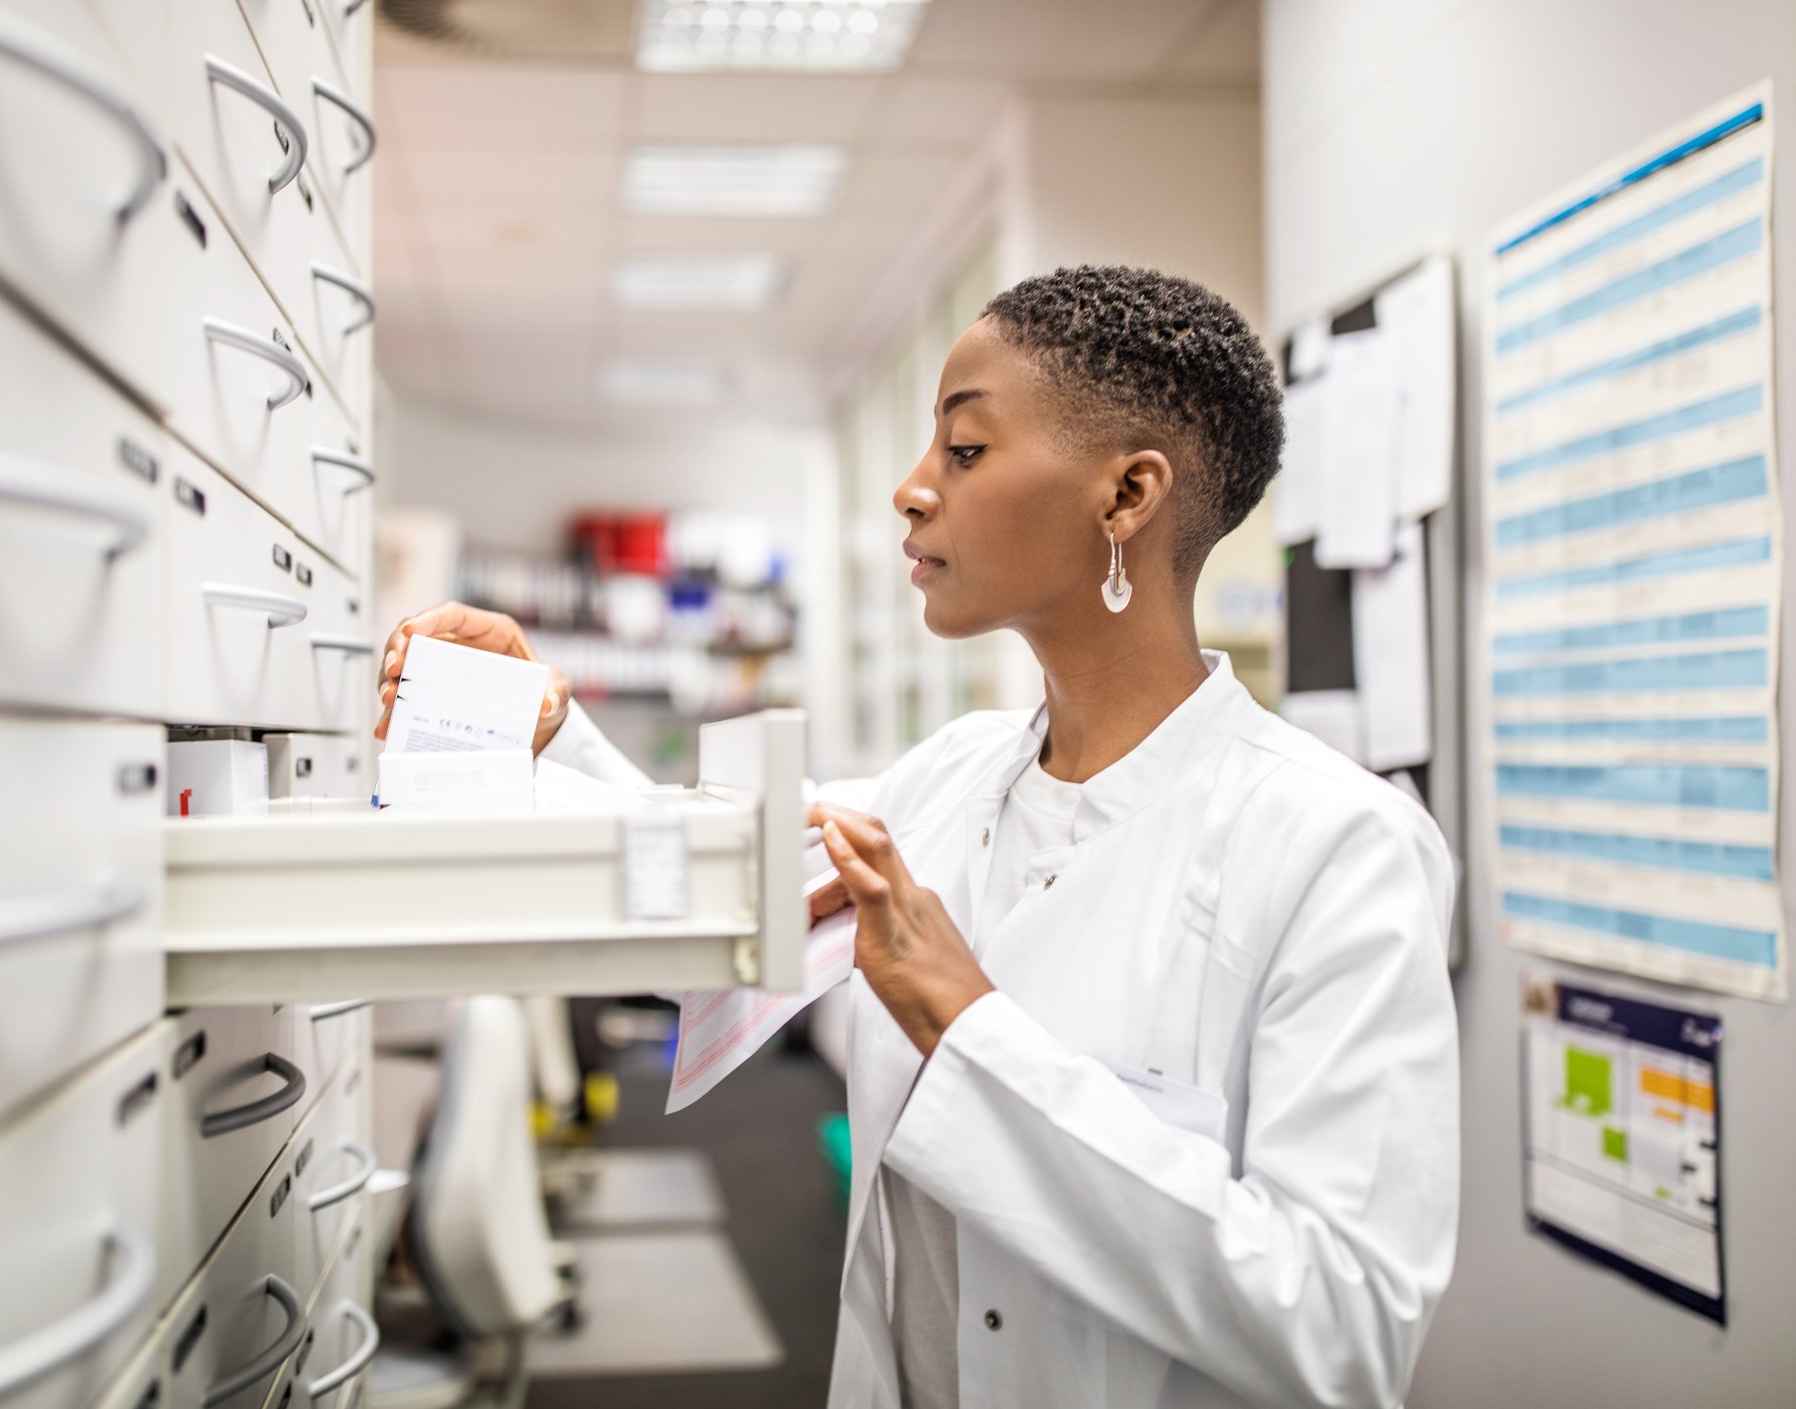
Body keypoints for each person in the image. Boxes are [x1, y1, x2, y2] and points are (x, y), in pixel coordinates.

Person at [375, 264, 1459, 1409]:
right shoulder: (951, 776)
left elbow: (1342, 1323)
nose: (909, 489)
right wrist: (545, 733)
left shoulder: (1339, 846)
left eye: (965, 448)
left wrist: (968, 1026)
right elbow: (705, 899)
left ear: (1127, 495)